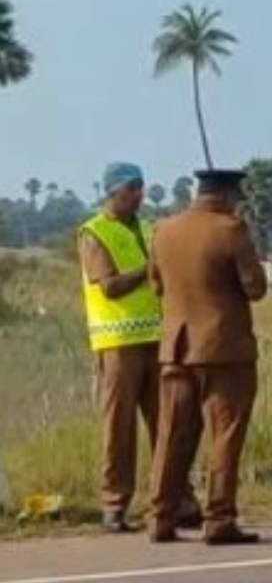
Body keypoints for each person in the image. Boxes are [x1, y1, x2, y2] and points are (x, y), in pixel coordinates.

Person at [77, 162, 201, 533]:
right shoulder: (94, 232)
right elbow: (110, 286)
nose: (138, 194)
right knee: (119, 427)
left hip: (155, 339)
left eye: (141, 187)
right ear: (112, 191)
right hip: (117, 343)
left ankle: (178, 500)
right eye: (131, 188)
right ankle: (114, 505)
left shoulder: (148, 229)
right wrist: (149, 270)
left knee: (168, 422)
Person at [146, 168, 267, 545]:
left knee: (171, 435)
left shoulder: (164, 229)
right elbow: (256, 288)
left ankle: (160, 516)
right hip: (224, 349)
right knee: (225, 436)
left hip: (176, 349)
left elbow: (155, 284)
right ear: (230, 194)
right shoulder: (232, 230)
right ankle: (219, 518)